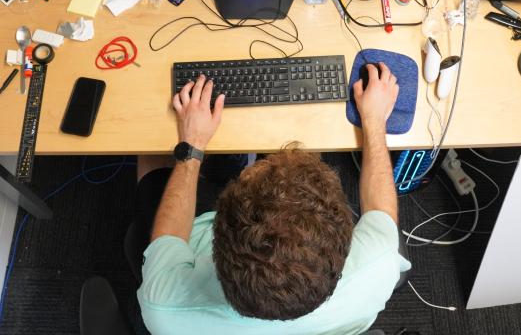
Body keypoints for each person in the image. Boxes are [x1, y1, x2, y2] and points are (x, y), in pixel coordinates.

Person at [137, 62, 410, 334]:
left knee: (153, 171)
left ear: (216, 239)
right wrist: (374, 121)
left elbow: (169, 236)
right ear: (344, 243)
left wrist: (192, 145)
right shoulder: (378, 267)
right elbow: (379, 207)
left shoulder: (164, 307)